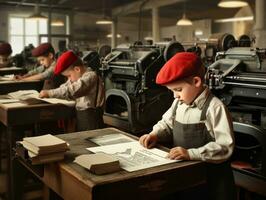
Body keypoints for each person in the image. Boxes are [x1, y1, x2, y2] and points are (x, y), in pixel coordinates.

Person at [139, 52, 236, 200]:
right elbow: (167, 123)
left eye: (178, 90)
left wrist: (191, 154)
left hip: (211, 181)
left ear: (196, 81)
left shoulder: (215, 108)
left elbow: (225, 147)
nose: (175, 96)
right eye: (171, 91)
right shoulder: (178, 103)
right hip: (186, 178)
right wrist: (155, 134)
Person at [39, 50, 105, 131]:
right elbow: (65, 87)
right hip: (82, 117)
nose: (69, 79)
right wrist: (48, 93)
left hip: (92, 120)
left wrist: (49, 93)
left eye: (69, 76)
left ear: (77, 69)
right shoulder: (78, 77)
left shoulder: (90, 77)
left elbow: (72, 90)